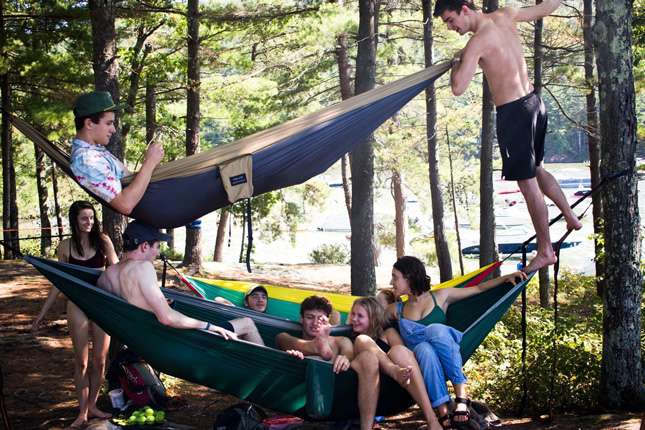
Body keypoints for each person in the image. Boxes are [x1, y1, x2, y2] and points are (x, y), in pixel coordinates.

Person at [434, 0, 582, 273]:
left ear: (465, 9)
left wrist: (458, 58)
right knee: (537, 169)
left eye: (451, 19)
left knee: (527, 185)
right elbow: (544, 8)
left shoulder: (476, 42)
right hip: (535, 102)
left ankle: (546, 251)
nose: (451, 27)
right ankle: (571, 216)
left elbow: (458, 87)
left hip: (514, 114)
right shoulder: (507, 14)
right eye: (446, 23)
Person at [385, 256, 526, 430]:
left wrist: (506, 277)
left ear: (410, 276)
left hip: (446, 355)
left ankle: (461, 395)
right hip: (420, 366)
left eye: (395, 277)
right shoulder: (395, 310)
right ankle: (443, 411)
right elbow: (369, 318)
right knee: (424, 348)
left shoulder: (441, 296)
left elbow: (478, 288)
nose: (391, 282)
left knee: (434, 330)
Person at [97, 220, 264, 345]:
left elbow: (130, 305)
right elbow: (166, 318)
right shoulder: (143, 268)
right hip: (172, 340)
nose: (157, 254)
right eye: (157, 246)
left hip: (143, 340)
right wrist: (210, 327)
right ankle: (266, 376)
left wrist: (156, 304)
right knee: (247, 323)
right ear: (144, 246)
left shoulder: (106, 276)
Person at [31, 201, 118, 428]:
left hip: (101, 305)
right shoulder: (65, 246)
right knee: (81, 361)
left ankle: (93, 406)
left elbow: (118, 273)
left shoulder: (104, 242)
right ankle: (82, 413)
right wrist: (43, 313)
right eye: (84, 218)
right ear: (75, 221)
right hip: (77, 306)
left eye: (91, 218)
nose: (89, 222)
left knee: (99, 361)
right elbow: (58, 283)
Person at [274, 295, 379, 430]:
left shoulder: (340, 341)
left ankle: (316, 349)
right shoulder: (288, 340)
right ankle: (313, 347)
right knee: (281, 337)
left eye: (320, 319)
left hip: (333, 396)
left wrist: (346, 358)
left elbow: (348, 353)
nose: (314, 323)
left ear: (328, 321)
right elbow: (279, 340)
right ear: (301, 318)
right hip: (296, 394)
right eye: (310, 317)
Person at [349, 297, 442, 430]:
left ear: (374, 318)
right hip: (367, 389)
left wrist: (402, 370)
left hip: (395, 388)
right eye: (353, 314)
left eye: (360, 316)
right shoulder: (352, 341)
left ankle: (432, 419)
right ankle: (394, 371)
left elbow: (405, 357)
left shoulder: (388, 334)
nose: (354, 319)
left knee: (399, 351)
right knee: (362, 340)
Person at [70, 91, 164, 215]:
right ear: (88, 124)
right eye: (108, 123)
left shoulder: (94, 151)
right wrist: (150, 162)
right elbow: (125, 204)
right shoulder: (86, 160)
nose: (113, 130)